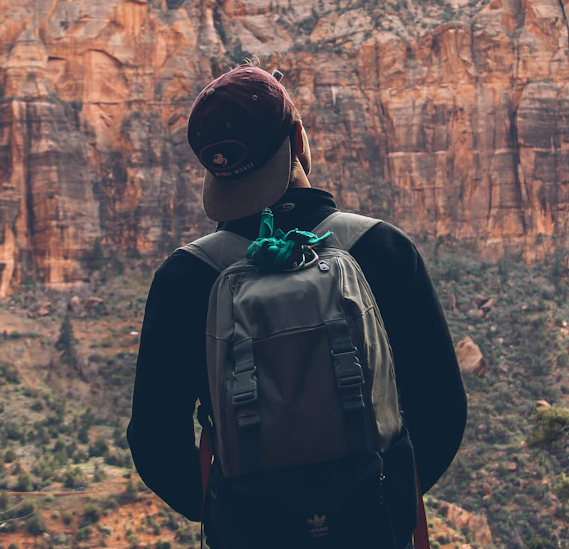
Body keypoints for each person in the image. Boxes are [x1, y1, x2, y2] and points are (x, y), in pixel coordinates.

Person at [128, 64, 466, 547]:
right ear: (300, 139)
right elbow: (442, 410)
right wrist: (376, 501)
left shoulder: (184, 279)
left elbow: (155, 443)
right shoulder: (383, 250)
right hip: (373, 524)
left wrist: (230, 507)